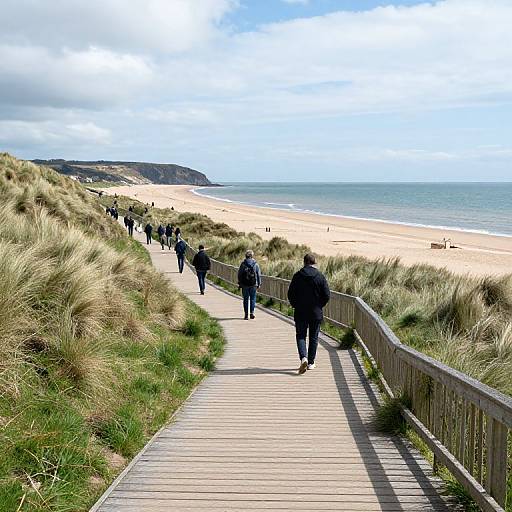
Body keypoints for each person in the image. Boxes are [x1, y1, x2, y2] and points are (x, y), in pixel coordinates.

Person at [287, 253, 330, 375]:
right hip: (315, 312)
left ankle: (303, 358)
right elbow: (327, 295)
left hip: (300, 311)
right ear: (314, 263)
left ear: (304, 262)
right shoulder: (320, 277)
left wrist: (296, 305)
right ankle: (311, 362)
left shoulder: (297, 276)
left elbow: (290, 294)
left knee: (301, 336)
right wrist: (319, 305)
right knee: (313, 337)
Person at [238, 250, 261, 320]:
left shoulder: (243, 264)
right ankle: (252, 313)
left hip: (244, 284)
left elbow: (239, 274)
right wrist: (259, 284)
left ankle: (246, 314)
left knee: (245, 299)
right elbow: (258, 275)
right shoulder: (255, 264)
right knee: (253, 298)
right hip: (253, 284)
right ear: (252, 256)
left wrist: (240, 283)